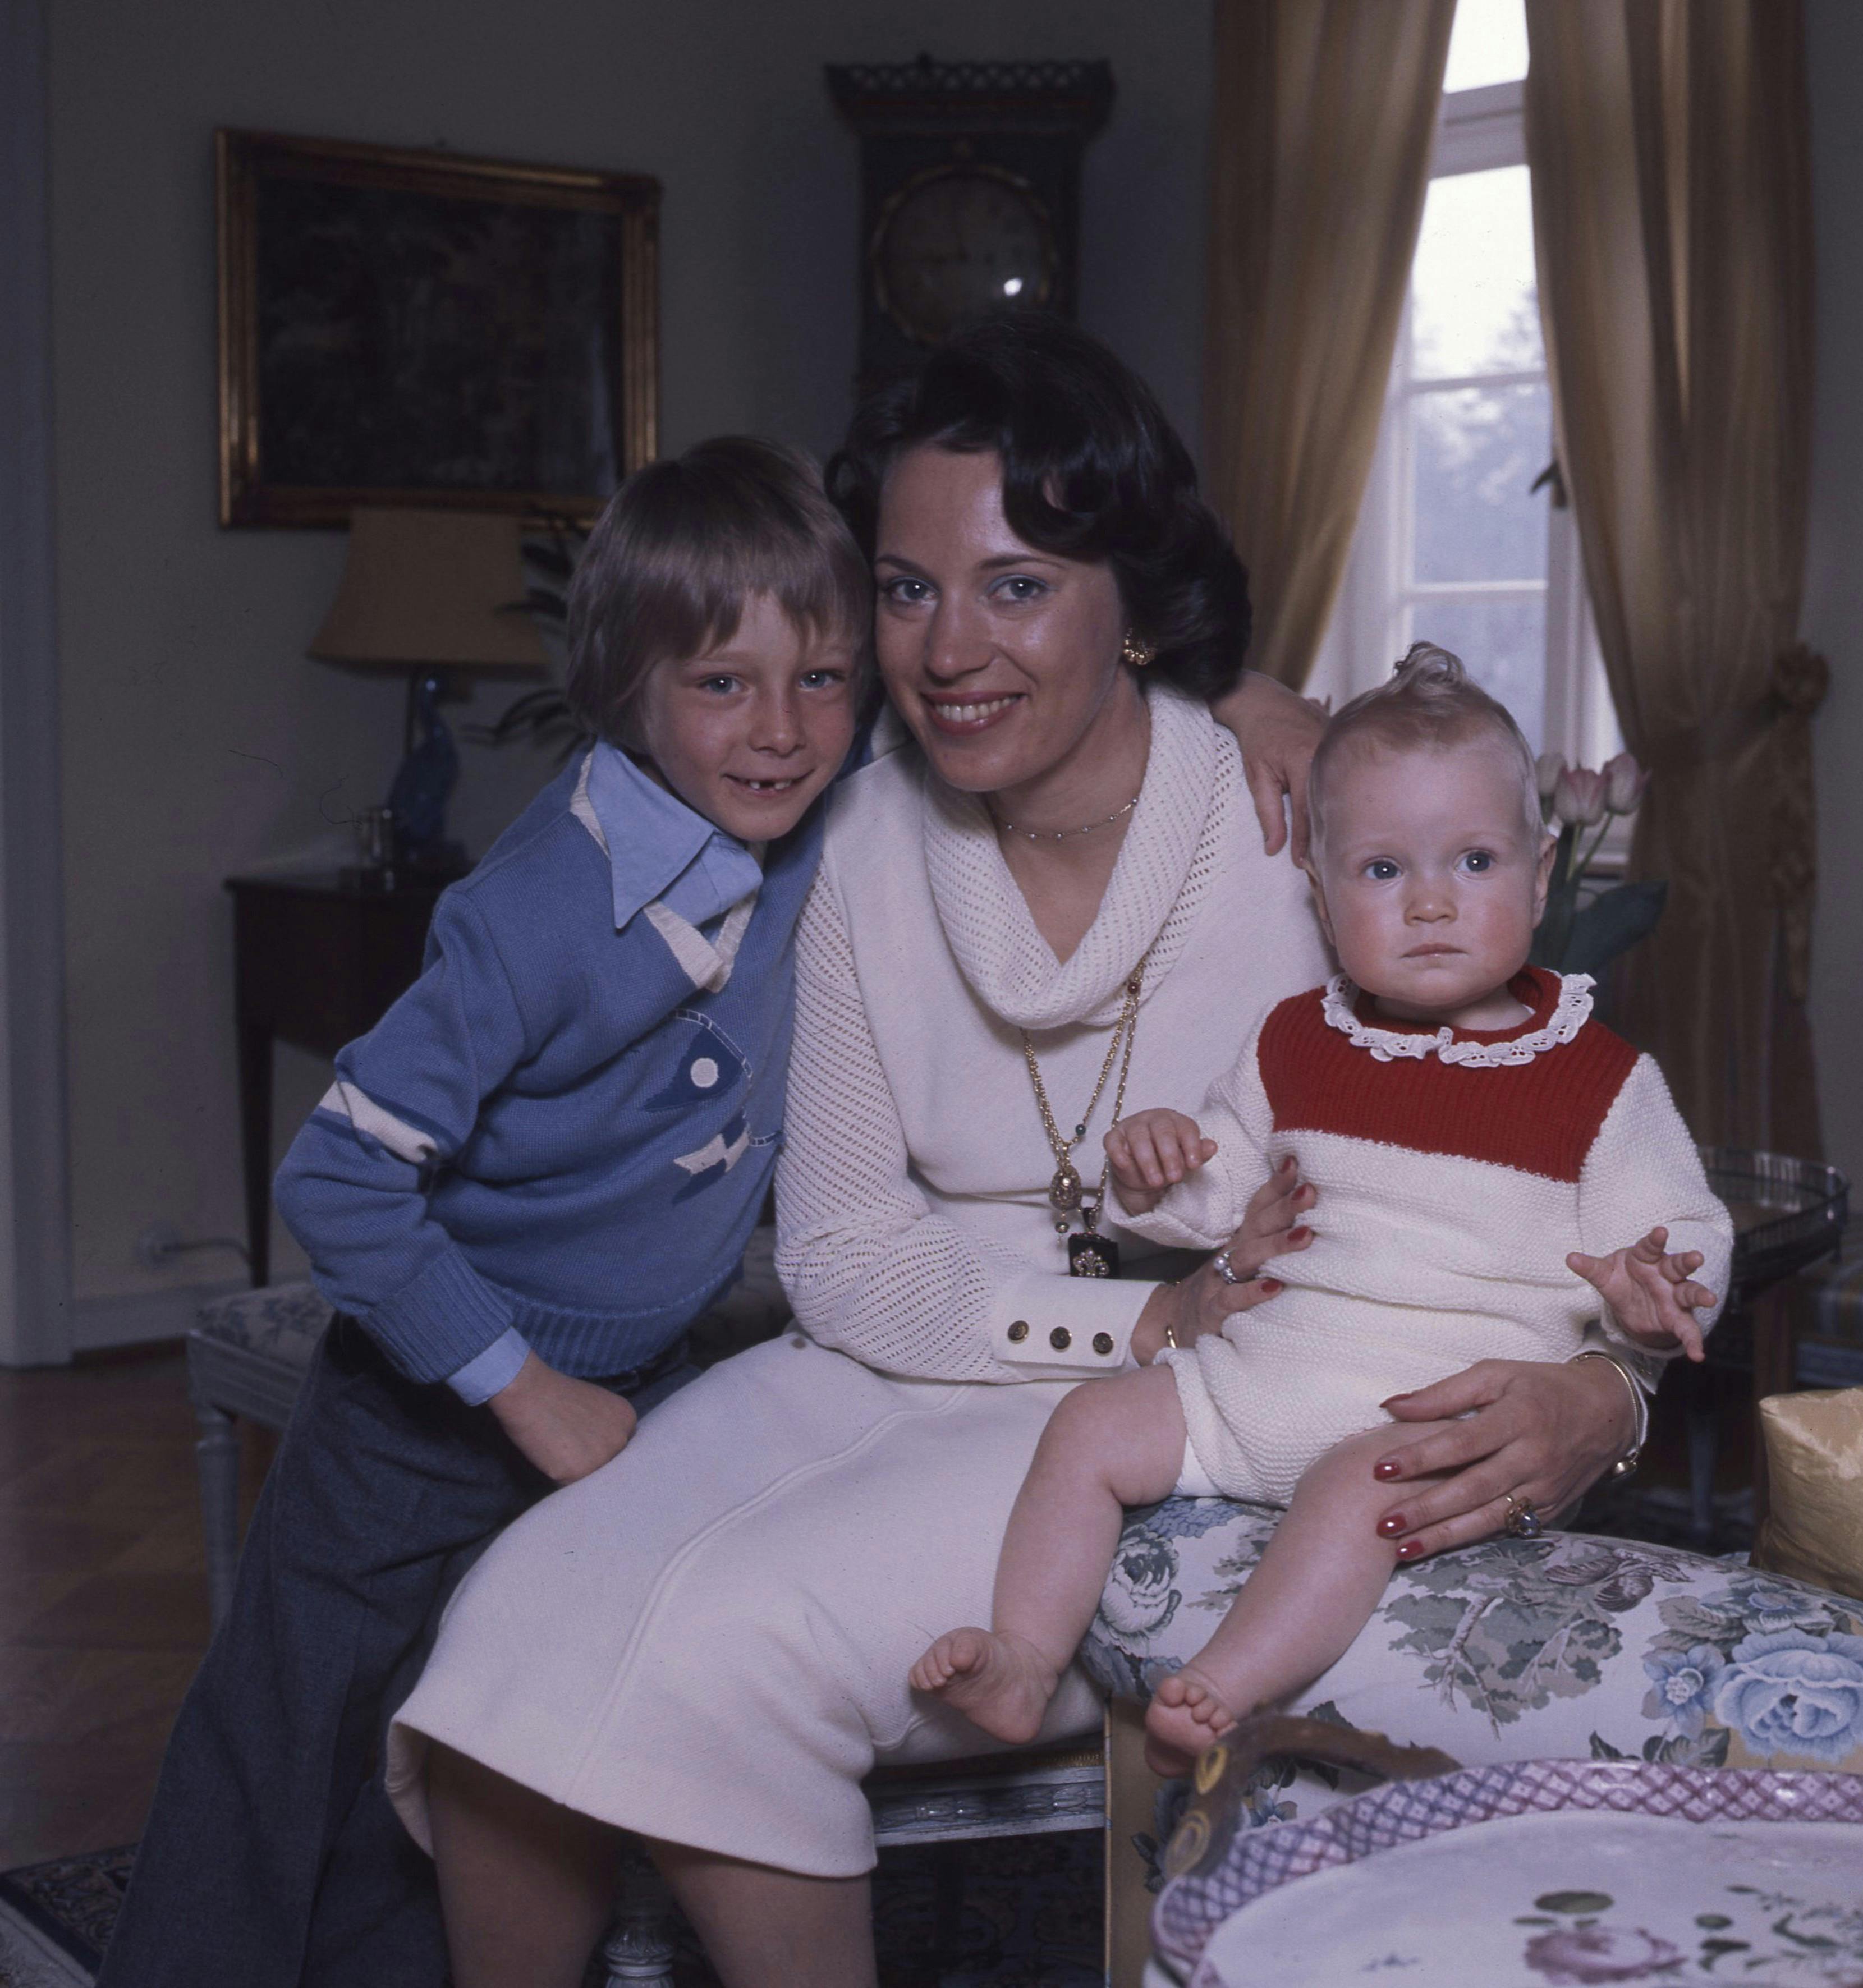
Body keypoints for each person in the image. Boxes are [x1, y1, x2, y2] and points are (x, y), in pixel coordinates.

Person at [390, 317, 1660, 1988]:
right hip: (901, 1346)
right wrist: (1124, 1321)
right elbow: (843, 1254)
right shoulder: (857, 834)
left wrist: (1603, 1398)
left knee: (721, 1643)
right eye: (906, 590)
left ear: (1132, 602)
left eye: (1017, 584)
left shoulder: (1307, 830)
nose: (946, 647)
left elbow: (1540, 1155)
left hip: (1194, 1425)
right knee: (517, 1612)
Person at [95, 439, 872, 1988]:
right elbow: (336, 1177)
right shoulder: (529, 917)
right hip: (421, 1413)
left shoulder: (809, 824)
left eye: (825, 679)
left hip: (630, 1383)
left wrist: (1244, 705)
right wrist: (519, 1393)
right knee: (289, 1749)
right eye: (725, 683)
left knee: (462, 1745)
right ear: (627, 686)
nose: (784, 731)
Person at [910, 647, 1734, 1773]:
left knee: (1358, 1488)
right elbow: (1224, 1197)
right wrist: (1160, 1170)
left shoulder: (1595, 1078)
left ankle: (1229, 1683)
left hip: (1428, 1425)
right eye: (1384, 869)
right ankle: (1020, 1656)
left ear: (1541, 877)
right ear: (1320, 885)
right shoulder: (1293, 1038)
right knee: (1091, 1426)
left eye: (1476, 860)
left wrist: (1658, 1285)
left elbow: (1680, 1229)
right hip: (1257, 1380)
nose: (1433, 900)